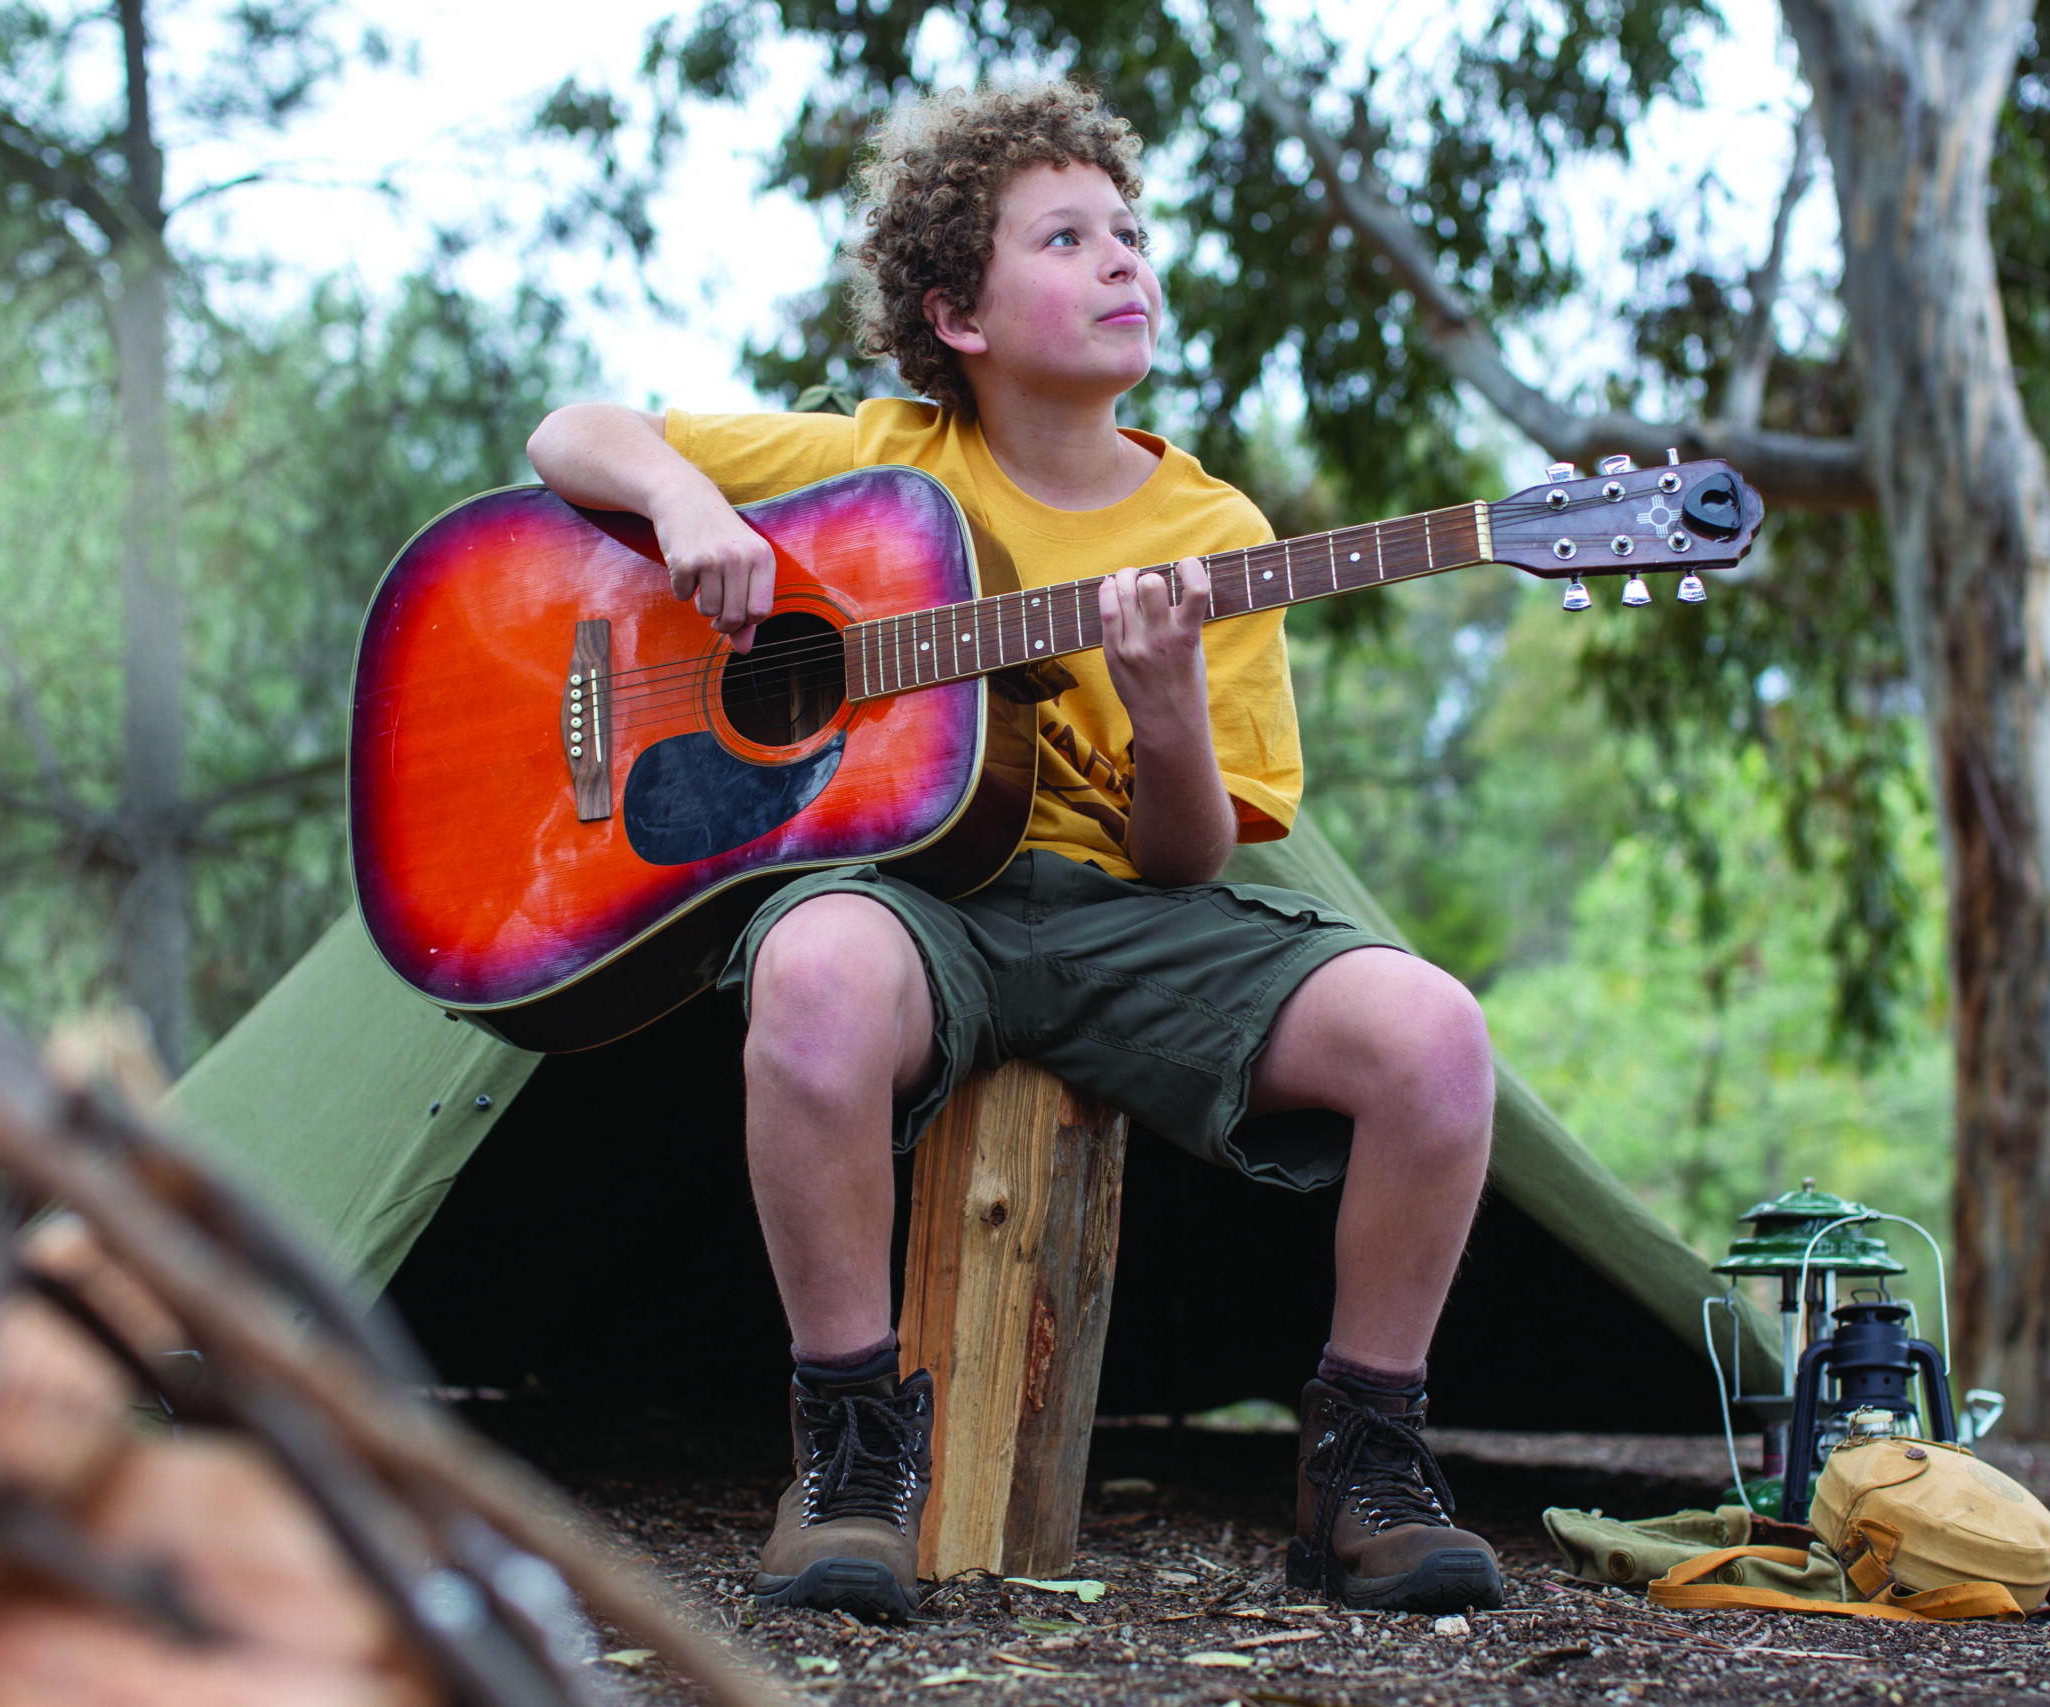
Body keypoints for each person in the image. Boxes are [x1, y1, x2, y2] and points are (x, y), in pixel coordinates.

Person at [525, 81, 1501, 1622]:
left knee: (1437, 1037)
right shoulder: (884, 462)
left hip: (1130, 915)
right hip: (924, 898)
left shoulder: (1216, 527)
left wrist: (1167, 707)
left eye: (1130, 230)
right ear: (956, 314)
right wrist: (678, 498)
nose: (1124, 259)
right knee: (817, 973)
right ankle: (849, 1454)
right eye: (1066, 236)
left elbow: (1190, 858)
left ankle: (1362, 1457)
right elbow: (569, 429)